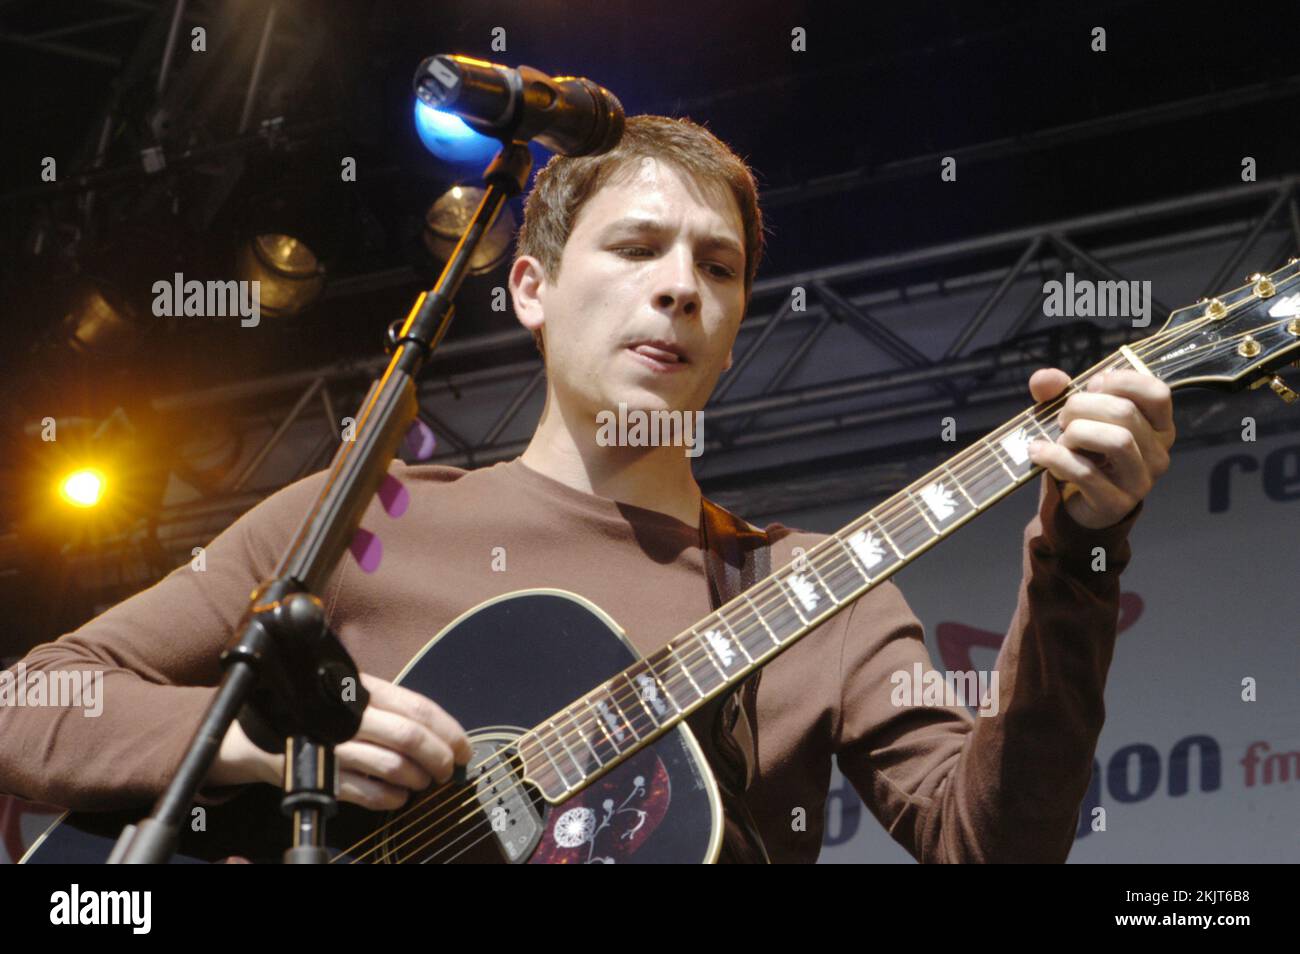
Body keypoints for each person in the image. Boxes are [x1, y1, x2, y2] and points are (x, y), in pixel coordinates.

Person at [0, 115, 1174, 863]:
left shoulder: (820, 590)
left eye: (716, 269)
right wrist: (268, 751)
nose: (679, 288)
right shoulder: (356, 522)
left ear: (732, 334)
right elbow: (29, 703)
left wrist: (1080, 552)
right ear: (528, 289)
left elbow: (996, 847)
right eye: (635, 249)